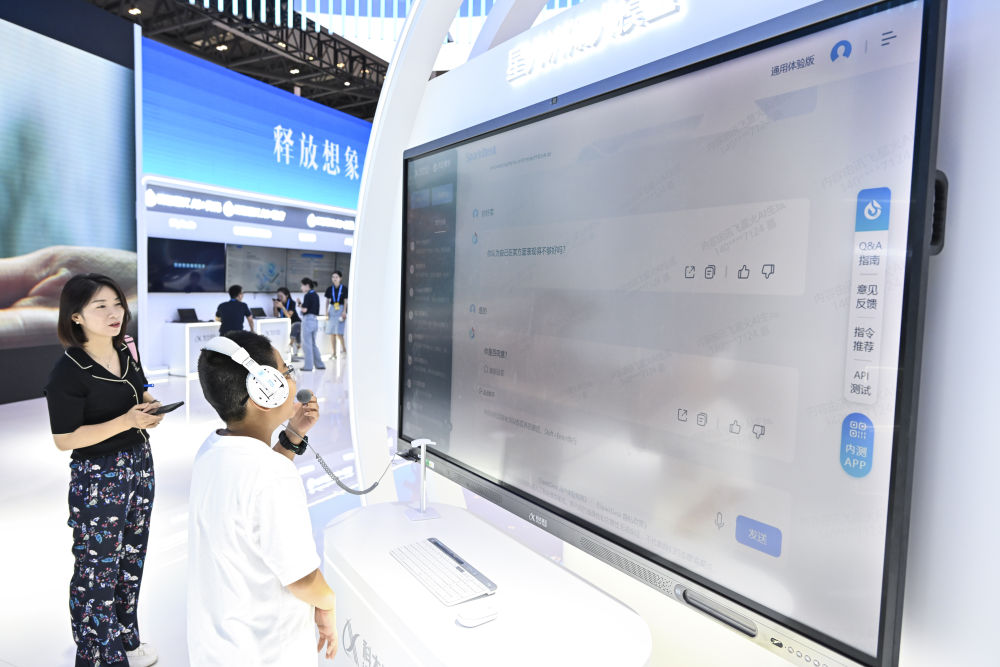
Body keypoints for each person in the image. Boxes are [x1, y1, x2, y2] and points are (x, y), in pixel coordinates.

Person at [187, 331, 338, 666]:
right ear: (265, 389)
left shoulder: (213, 449)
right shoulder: (272, 475)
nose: (291, 378)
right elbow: (302, 579)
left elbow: (252, 489)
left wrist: (293, 435)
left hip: (219, 647)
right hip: (267, 651)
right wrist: (328, 604)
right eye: (285, 372)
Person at [43, 273, 164, 667]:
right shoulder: (68, 370)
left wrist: (151, 405)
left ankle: (124, 636)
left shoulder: (124, 348)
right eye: (101, 306)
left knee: (131, 556)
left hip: (139, 463)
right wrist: (126, 421)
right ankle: (97, 653)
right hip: (99, 475)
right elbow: (65, 438)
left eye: (117, 304)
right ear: (75, 316)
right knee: (98, 566)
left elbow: (139, 388)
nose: (115, 313)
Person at [298, 277, 325, 371]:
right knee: (313, 344)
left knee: (307, 344)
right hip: (314, 320)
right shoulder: (315, 295)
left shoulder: (307, 295)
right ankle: (319, 364)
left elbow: (304, 309)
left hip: (308, 320)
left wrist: (299, 305)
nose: (301, 288)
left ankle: (308, 366)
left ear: (307, 285)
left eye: (302, 285)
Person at [323, 270, 348, 359]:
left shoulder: (344, 288)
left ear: (340, 278)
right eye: (333, 277)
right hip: (332, 309)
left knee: (339, 333)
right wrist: (326, 311)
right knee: (332, 333)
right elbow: (327, 301)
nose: (335, 279)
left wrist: (344, 311)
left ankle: (344, 350)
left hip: (340, 309)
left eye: (336, 277)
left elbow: (345, 301)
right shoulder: (330, 289)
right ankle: (334, 353)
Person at [272, 286, 302, 359]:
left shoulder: (292, 302)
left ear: (287, 295)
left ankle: (290, 345)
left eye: (281, 296)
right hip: (285, 324)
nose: (279, 298)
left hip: (295, 322)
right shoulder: (279, 303)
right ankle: (297, 347)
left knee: (296, 326)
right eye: (278, 296)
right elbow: (275, 315)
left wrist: (282, 307)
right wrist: (275, 306)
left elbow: (288, 316)